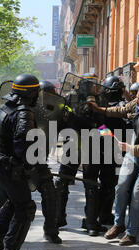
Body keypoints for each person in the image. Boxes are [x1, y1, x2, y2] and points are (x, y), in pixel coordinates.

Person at [0, 80, 62, 245]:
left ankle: (51, 230)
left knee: (49, 193)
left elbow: (70, 123)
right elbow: (21, 142)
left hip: (34, 159)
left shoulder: (51, 111)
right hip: (18, 161)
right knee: (6, 197)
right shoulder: (23, 110)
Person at [89, 84, 139, 245]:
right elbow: (121, 110)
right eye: (136, 97)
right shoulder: (137, 104)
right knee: (121, 187)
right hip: (131, 156)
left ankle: (131, 233)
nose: (135, 100)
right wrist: (100, 109)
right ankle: (118, 224)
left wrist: (130, 148)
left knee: (137, 194)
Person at [0, 74, 40, 250]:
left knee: (14, 202)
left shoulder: (5, 107)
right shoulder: (24, 112)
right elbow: (23, 144)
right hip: (11, 166)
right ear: (31, 93)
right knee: (25, 207)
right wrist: (29, 165)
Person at [54, 73, 101, 231]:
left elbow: (62, 118)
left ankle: (62, 219)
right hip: (82, 144)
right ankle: (90, 223)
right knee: (87, 182)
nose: (95, 87)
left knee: (71, 181)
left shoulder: (95, 99)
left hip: (78, 143)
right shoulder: (93, 99)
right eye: (92, 84)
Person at [81, 75, 128, 235]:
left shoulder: (117, 106)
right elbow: (96, 125)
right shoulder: (97, 105)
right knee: (95, 186)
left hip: (109, 151)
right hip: (98, 150)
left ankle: (102, 216)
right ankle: (91, 222)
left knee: (107, 185)